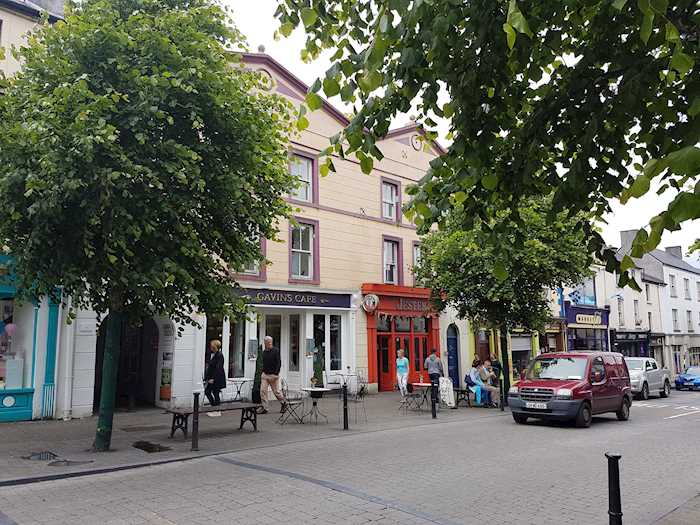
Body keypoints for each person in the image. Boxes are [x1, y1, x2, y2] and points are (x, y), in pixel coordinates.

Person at [260, 335, 286, 414]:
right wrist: (262, 370)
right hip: (265, 374)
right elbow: (263, 362)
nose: (266, 344)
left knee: (276, 392)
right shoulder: (264, 352)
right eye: (265, 342)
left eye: (267, 342)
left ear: (270, 342)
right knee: (263, 391)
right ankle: (265, 407)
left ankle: (283, 403)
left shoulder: (276, 351)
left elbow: (278, 362)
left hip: (273, 375)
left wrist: (276, 374)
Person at [204, 339, 226, 416]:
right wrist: (207, 378)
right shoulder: (213, 354)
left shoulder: (219, 355)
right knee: (208, 392)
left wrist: (213, 378)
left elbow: (218, 368)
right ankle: (214, 407)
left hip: (216, 378)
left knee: (215, 393)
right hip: (211, 378)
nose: (210, 347)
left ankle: (217, 410)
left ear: (215, 347)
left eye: (211, 346)